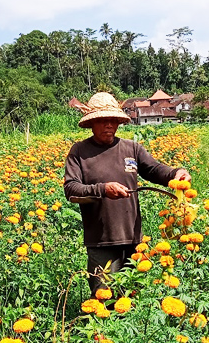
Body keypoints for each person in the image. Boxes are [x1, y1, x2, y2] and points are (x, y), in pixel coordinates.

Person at [64, 92, 191, 297]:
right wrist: (103, 189)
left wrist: (175, 173)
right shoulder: (79, 152)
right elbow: (71, 188)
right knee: (103, 299)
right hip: (101, 241)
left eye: (114, 120)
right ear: (92, 123)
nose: (109, 125)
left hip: (133, 239)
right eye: (104, 120)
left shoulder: (131, 148)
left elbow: (154, 169)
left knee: (133, 297)